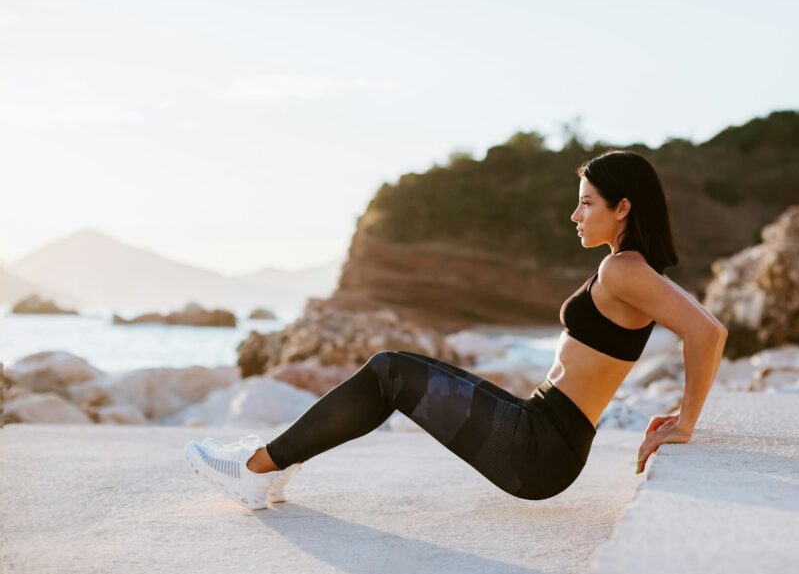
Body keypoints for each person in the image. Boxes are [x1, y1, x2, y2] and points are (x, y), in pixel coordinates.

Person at [184, 150, 729, 510]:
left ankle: (257, 469)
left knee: (389, 370)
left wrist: (685, 422)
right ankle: (275, 463)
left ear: (623, 207)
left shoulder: (624, 269)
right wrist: (684, 413)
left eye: (587, 202)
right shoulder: (632, 270)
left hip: (539, 448)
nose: (575, 214)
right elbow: (705, 329)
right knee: (393, 369)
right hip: (540, 432)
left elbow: (708, 334)